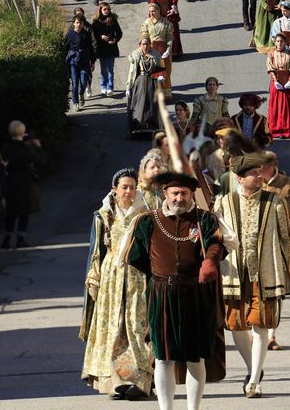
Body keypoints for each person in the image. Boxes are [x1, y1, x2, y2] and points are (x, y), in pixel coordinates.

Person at [124, 171, 231, 410]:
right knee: (163, 357)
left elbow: (217, 243)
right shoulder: (148, 221)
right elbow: (136, 257)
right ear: (165, 194)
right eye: (175, 193)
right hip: (162, 296)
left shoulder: (204, 220)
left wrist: (210, 261)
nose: (179, 198)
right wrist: (160, 276)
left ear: (192, 194)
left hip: (195, 296)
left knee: (195, 357)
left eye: (184, 193)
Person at [215, 153, 290, 398]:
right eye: (254, 174)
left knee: (261, 324)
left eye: (260, 172)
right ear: (240, 178)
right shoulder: (223, 203)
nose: (260, 176)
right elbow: (214, 236)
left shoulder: (275, 202)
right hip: (233, 273)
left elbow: (288, 235)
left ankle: (254, 380)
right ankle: (251, 368)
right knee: (236, 325)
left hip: (264, 273)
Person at [81, 169, 154, 400]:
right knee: (113, 326)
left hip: (137, 275)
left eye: (133, 186)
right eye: (125, 187)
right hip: (112, 276)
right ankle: (116, 381)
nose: (129, 191)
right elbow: (97, 250)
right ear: (115, 189)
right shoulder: (104, 214)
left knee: (135, 326)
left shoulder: (145, 214)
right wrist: (94, 278)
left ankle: (141, 381)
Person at [260, 151, 290, 351]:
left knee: (278, 290)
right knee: (258, 289)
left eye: (261, 167)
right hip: (259, 244)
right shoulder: (254, 184)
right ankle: (258, 330)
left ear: (271, 165)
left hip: (282, 243)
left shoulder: (289, 185)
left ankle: (271, 334)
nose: (258, 172)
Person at [0, 120, 40, 249]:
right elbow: (40, 160)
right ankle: (20, 238)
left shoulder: (5, 147)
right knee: (24, 211)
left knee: (11, 211)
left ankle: (7, 238)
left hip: (10, 181)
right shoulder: (27, 148)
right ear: (22, 132)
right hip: (25, 181)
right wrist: (38, 147)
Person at [126, 37, 163, 134]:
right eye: (143, 44)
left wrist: (160, 76)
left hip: (152, 82)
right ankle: (138, 126)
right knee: (140, 104)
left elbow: (160, 68)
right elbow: (132, 72)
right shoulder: (136, 55)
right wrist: (128, 86)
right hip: (140, 82)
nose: (145, 46)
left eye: (147, 44)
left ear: (150, 44)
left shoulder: (155, 54)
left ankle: (152, 126)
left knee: (151, 104)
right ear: (140, 45)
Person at [140, 3, 174, 100]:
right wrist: (146, 49)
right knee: (152, 72)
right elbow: (144, 37)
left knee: (165, 72)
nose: (151, 13)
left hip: (163, 49)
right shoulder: (146, 23)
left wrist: (168, 50)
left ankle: (166, 93)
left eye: (154, 11)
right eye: (150, 11)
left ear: (159, 11)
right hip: (151, 49)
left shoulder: (167, 23)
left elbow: (170, 38)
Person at [65, 14, 97, 111]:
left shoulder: (86, 34)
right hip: (73, 62)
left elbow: (91, 48)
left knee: (83, 82)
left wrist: (93, 61)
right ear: (73, 24)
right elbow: (65, 47)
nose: (79, 24)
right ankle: (75, 103)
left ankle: (81, 93)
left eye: (81, 23)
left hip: (84, 60)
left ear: (83, 24)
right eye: (77, 23)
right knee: (75, 83)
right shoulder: (70, 34)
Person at [90, 2, 123, 97]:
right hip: (101, 48)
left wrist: (115, 40)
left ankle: (110, 87)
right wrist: (101, 36)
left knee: (110, 69)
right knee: (103, 69)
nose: (107, 11)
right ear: (100, 10)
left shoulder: (112, 19)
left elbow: (119, 33)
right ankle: (103, 86)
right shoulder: (96, 22)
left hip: (111, 47)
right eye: (105, 9)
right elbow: (93, 35)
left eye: (108, 9)